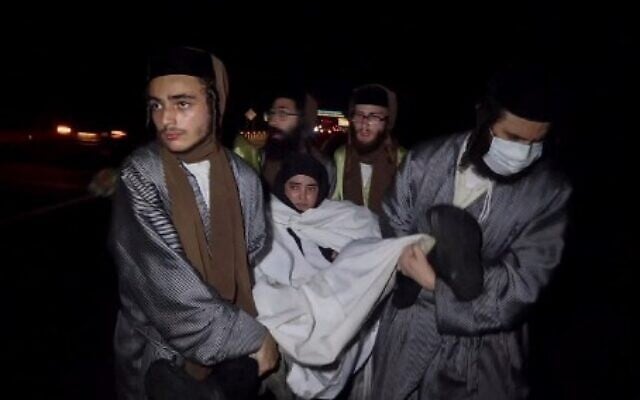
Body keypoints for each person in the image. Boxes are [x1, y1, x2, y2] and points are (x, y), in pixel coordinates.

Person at [372, 64, 572, 399]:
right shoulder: (426, 160)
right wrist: (404, 257)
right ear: (485, 118)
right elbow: (394, 220)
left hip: (483, 347)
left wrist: (437, 284)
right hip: (408, 331)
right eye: (514, 138)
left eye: (536, 142)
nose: (524, 152)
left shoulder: (549, 192)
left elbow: (522, 284)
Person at [109, 46, 278, 400]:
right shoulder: (141, 175)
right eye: (156, 105)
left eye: (182, 103)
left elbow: (254, 250)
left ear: (214, 103)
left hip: (230, 363)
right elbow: (166, 289)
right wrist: (252, 337)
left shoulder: (244, 177)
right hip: (157, 361)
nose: (165, 119)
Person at [253, 154, 432, 399]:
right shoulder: (267, 218)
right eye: (294, 187)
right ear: (282, 186)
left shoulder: (342, 216)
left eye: (310, 188)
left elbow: (368, 240)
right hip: (296, 297)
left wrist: (342, 255)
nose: (302, 196)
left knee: (363, 256)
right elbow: (267, 267)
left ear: (322, 190)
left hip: (338, 292)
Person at [233, 85, 335, 191]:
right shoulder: (259, 160)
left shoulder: (323, 167)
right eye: (272, 113)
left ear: (302, 120)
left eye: (282, 113)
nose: (272, 121)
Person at [332, 84, 407, 214]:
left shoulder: (402, 159)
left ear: (386, 122)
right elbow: (333, 204)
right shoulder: (341, 156)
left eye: (374, 116)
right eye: (359, 115)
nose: (364, 123)